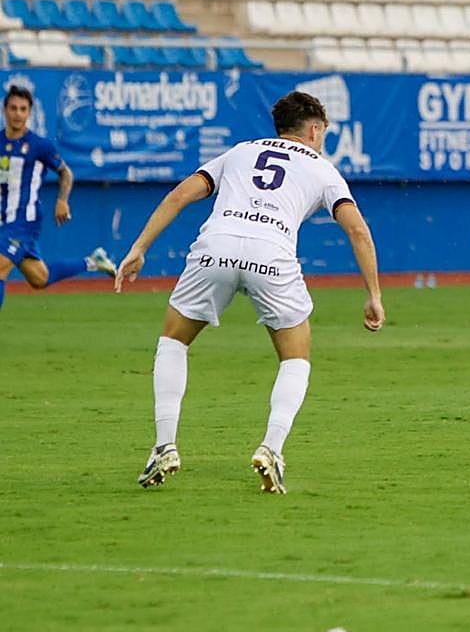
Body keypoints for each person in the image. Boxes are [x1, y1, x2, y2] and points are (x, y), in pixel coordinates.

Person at [115, 91, 385, 494]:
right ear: (314, 130)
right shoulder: (323, 168)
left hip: (216, 248)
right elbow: (357, 229)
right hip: (270, 254)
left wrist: (139, 248)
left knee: (173, 341)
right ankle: (271, 448)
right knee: (296, 356)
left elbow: (179, 196)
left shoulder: (239, 152)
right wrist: (373, 294)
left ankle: (164, 445)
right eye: (323, 132)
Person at [0, 84, 115, 310]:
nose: (18, 114)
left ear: (29, 113)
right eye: (13, 108)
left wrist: (62, 200)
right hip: (3, 221)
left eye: (23, 109)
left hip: (24, 221)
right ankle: (93, 261)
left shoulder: (38, 145)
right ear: (5, 110)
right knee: (39, 278)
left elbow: (65, 173)